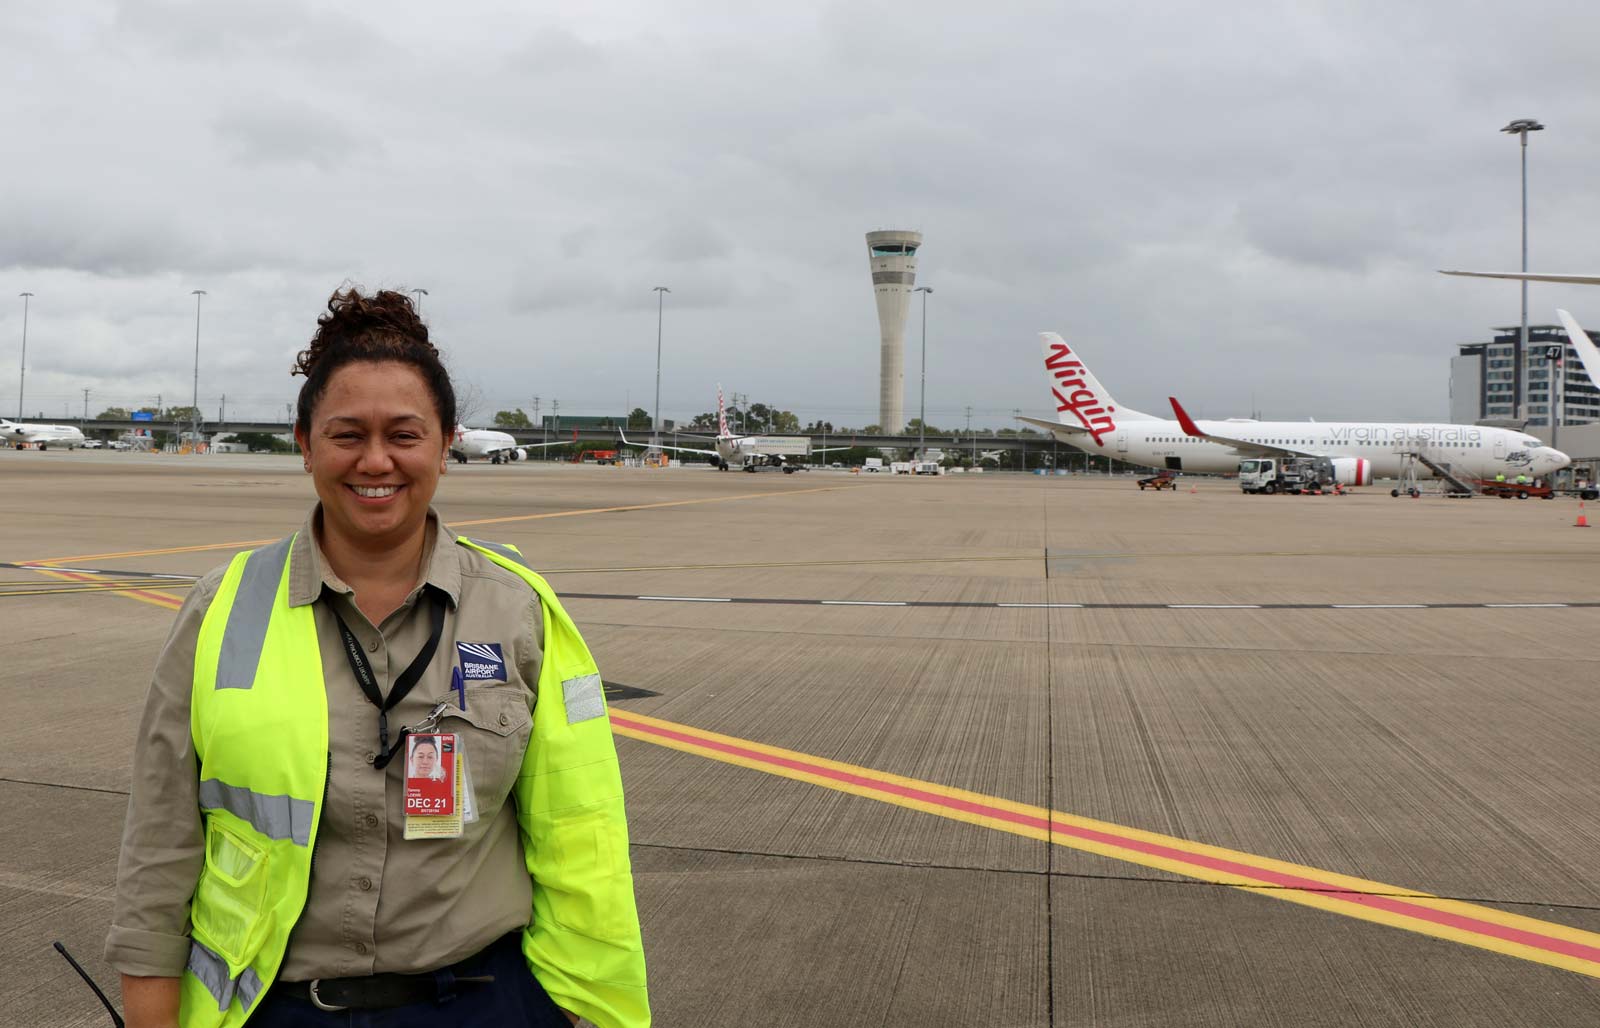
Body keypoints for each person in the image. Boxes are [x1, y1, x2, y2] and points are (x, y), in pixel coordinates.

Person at [106, 288, 649, 1028]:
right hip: (276, 1007)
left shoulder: (518, 611)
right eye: (346, 435)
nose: (376, 461)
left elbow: (579, 836)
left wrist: (578, 1009)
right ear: (303, 443)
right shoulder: (220, 608)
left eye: (404, 434)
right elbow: (160, 842)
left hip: (481, 1004)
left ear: (445, 444)